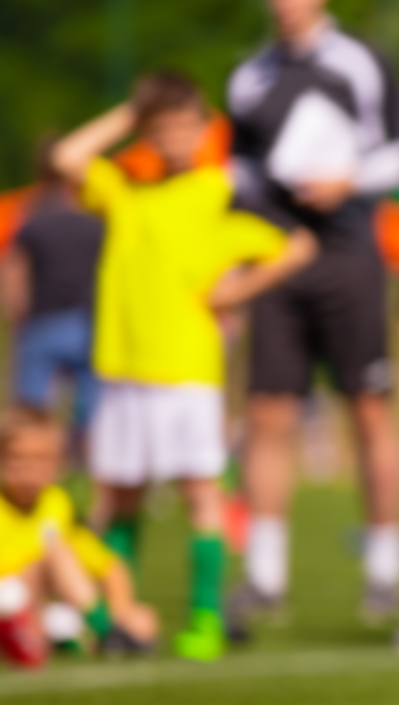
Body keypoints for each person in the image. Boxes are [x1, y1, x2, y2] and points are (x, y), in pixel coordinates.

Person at [53, 72, 316, 661]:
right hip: (123, 369)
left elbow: (298, 246)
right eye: (161, 127)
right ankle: (117, 614)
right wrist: (132, 111)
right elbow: (68, 156)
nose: (173, 136)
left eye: (183, 124)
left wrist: (239, 291)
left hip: (190, 373)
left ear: (203, 130)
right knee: (119, 496)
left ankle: (205, 617)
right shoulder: (124, 191)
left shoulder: (216, 192)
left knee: (201, 492)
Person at [226, 0, 399, 625]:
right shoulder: (248, 78)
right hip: (278, 261)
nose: (285, 2)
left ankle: (386, 569)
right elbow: (241, 172)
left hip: (349, 256)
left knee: (367, 406)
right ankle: (265, 576)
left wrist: (348, 182)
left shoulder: (361, 64)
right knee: (269, 412)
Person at [0, 408, 155, 665]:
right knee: (54, 557)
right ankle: (107, 634)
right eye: (17, 459)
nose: (28, 471)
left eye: (40, 460)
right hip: (8, 602)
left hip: (38, 608)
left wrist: (123, 612)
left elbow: (110, 567)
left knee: (143, 619)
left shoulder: (56, 503)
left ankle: (96, 631)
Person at [3, 139, 105, 443]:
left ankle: (30, 460)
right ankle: (82, 470)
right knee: (91, 409)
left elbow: (13, 273)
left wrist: (17, 317)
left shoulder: (32, 219)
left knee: (30, 408)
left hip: (42, 321)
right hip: (89, 321)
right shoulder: (96, 220)